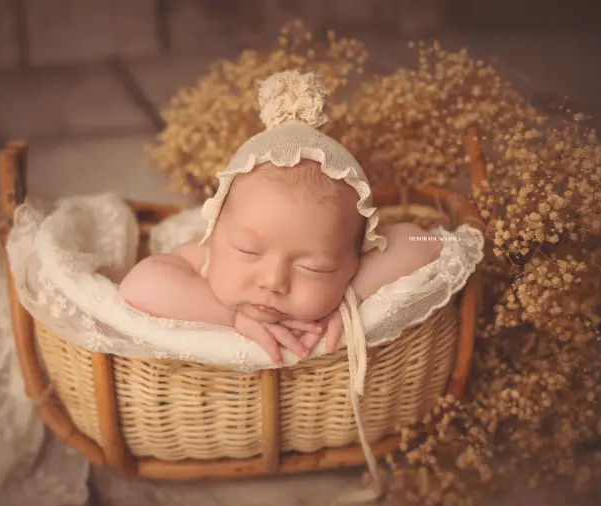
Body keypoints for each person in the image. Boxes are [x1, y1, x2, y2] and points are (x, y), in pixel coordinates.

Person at [119, 70, 442, 365]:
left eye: (313, 267)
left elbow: (427, 243)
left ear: (353, 259)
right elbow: (138, 286)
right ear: (215, 229)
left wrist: (353, 295)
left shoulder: (349, 268)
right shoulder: (204, 258)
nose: (273, 281)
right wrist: (230, 317)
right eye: (248, 251)